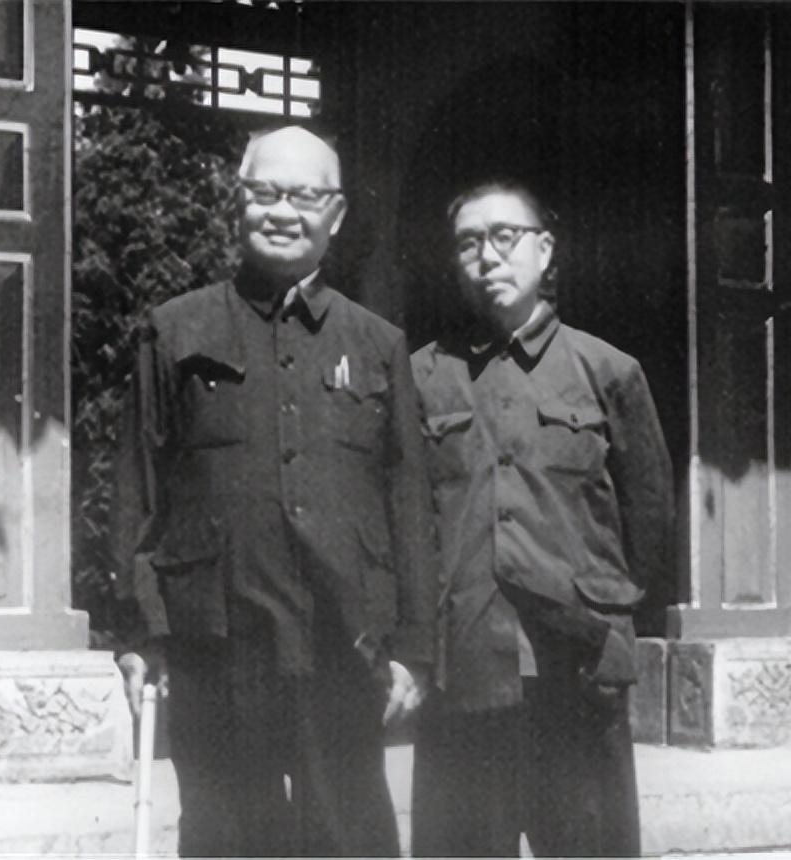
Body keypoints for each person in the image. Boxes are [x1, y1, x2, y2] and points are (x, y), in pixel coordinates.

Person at [110, 125, 436, 857]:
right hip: (215, 643)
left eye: (305, 196)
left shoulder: (377, 344)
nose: (283, 211)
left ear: (336, 214)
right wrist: (139, 633)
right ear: (239, 201)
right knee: (226, 838)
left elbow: (408, 502)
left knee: (349, 838)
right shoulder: (174, 330)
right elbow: (139, 487)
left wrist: (416, 647)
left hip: (342, 643)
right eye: (265, 192)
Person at [409, 179, 673, 858]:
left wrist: (609, 623)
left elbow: (649, 521)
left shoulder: (608, 371)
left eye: (505, 236)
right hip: (464, 668)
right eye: (469, 243)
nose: (488, 255)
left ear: (545, 249)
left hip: (577, 673)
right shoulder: (422, 378)